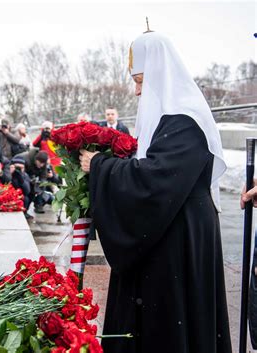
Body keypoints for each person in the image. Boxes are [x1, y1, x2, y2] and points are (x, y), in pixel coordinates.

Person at [79, 32, 231, 353]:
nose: (136, 91)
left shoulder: (187, 120)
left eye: (140, 81)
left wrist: (100, 166)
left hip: (179, 241)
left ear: (160, 74)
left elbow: (155, 180)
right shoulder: (172, 119)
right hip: (170, 233)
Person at [17, 149, 60, 213]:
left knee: (36, 192)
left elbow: (43, 177)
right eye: (40, 163)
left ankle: (26, 211)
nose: (41, 165)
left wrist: (41, 184)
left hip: (34, 182)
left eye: (43, 164)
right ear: (36, 160)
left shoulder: (45, 165)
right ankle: (23, 210)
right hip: (21, 179)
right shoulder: (26, 159)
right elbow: (22, 174)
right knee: (27, 193)